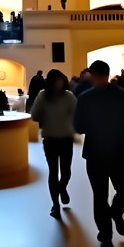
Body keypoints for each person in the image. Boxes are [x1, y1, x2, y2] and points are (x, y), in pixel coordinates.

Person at [73, 60, 124, 247]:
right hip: (118, 151)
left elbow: (78, 126)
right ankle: (113, 218)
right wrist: (122, 135)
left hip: (96, 152)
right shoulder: (122, 96)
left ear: (93, 75)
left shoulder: (85, 98)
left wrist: (95, 129)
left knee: (101, 195)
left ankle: (106, 229)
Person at [31, 69, 77, 220]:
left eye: (61, 80)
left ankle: (62, 188)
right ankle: (55, 205)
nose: (59, 83)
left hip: (66, 138)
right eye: (56, 81)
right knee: (53, 171)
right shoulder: (43, 95)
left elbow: (77, 113)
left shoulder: (69, 96)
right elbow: (35, 115)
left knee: (66, 171)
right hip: (50, 138)